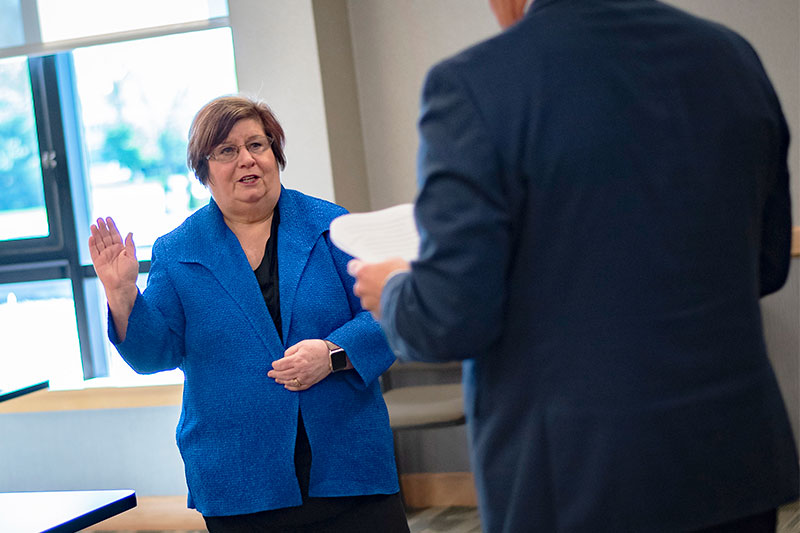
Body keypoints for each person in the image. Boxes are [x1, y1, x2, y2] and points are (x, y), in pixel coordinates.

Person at [349, 0, 798, 531]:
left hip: (576, 481)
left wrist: (396, 289)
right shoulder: (732, 57)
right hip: (732, 464)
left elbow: (449, 319)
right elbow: (768, 265)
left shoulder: (474, 84)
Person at [89, 95, 409, 532]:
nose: (247, 160)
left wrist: (334, 353)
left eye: (257, 145)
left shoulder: (331, 225)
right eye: (227, 151)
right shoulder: (177, 251)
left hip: (348, 466)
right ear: (204, 171)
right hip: (239, 477)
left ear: (275, 154)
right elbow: (153, 355)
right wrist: (122, 295)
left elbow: (387, 315)